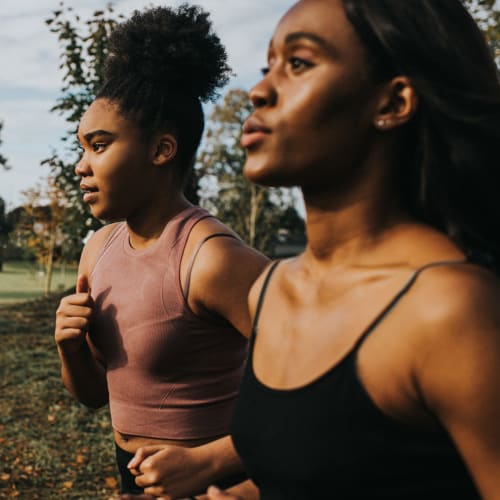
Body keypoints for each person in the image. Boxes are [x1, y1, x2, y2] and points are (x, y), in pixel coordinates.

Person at [205, 0, 500, 498]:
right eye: (267, 66)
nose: (258, 91)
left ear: (392, 103)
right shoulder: (271, 291)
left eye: (299, 63)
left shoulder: (447, 310)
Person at [54, 4, 268, 497]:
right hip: (133, 476)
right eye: (81, 147)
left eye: (100, 145)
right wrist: (70, 348)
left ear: (161, 149)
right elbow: (92, 396)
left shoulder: (211, 258)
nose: (81, 166)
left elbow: (329, 386)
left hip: (218, 484)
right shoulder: (99, 249)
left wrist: (217, 467)